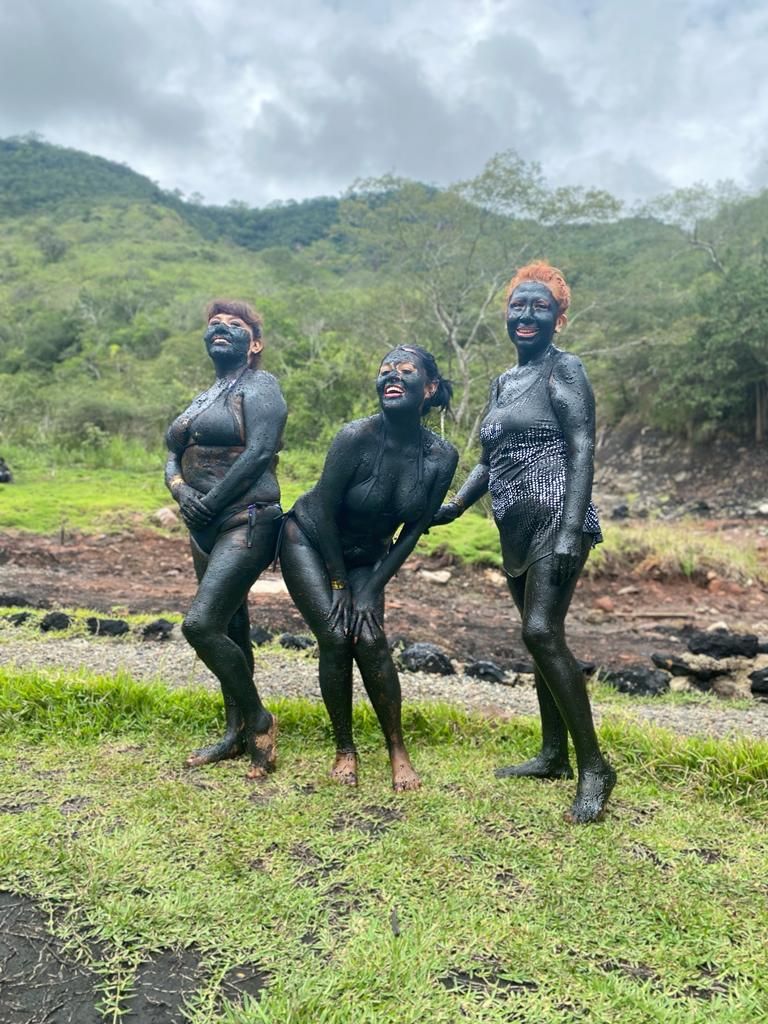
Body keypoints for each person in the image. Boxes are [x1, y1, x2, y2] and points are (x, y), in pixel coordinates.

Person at [432, 262, 615, 823]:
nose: (526, 315)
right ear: (506, 315)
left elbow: (582, 448)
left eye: (540, 306)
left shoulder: (566, 368)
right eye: (518, 305)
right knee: (541, 640)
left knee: (539, 631)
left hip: (558, 516)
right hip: (513, 525)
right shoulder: (503, 382)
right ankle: (553, 755)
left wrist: (570, 529)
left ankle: (594, 768)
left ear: (559, 319)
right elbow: (490, 460)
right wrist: (454, 506)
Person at [280, 346, 458, 791]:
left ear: (429, 388)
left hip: (368, 557)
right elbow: (323, 510)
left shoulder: (442, 457)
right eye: (385, 371)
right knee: (336, 635)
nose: (391, 376)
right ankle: (345, 748)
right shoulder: (354, 437)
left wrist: (370, 586)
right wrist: (340, 583)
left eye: (405, 371)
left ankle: (397, 748)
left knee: (373, 640)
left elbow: (412, 532)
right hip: (309, 540)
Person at [165, 300, 286, 779]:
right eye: (214, 324)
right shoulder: (203, 396)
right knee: (232, 628)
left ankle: (259, 719)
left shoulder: (260, 385)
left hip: (246, 519)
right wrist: (180, 491)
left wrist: (211, 502)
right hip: (203, 526)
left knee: (201, 625)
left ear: (254, 343)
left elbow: (259, 452)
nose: (221, 328)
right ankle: (236, 734)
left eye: (235, 325)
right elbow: (172, 454)